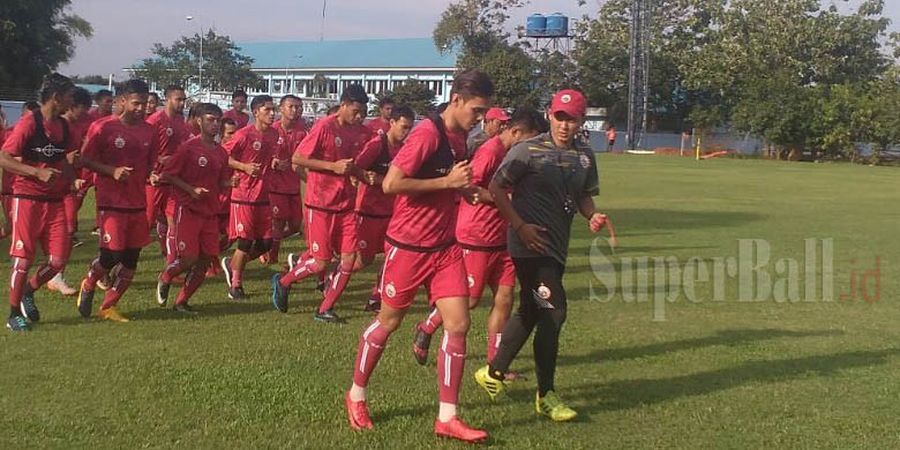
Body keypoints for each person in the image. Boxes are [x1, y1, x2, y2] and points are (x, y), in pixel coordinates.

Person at [341, 70, 492, 443]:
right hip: (407, 247)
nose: (480, 118)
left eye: (484, 112)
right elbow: (392, 184)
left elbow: (447, 183)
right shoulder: (427, 133)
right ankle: (356, 394)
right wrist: (447, 184)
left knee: (458, 324)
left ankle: (447, 417)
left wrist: (463, 191)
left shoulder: (460, 138)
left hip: (444, 248)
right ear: (456, 100)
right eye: (477, 110)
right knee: (388, 322)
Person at [473, 89, 608, 423]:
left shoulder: (585, 157)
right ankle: (546, 395)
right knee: (554, 312)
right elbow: (496, 188)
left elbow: (582, 198)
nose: (564, 125)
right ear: (550, 115)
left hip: (556, 247)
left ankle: (493, 372)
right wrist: (520, 227)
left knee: (531, 310)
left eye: (571, 119)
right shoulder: (527, 150)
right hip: (529, 247)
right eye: (559, 117)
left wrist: (591, 215)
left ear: (581, 120)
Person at [412, 107, 548, 368]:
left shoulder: (515, 155)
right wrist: (504, 199)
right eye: (530, 139)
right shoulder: (490, 151)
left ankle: (496, 363)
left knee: (505, 298)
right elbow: (466, 186)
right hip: (477, 235)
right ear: (516, 132)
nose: (532, 145)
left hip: (503, 234)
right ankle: (427, 326)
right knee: (471, 300)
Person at [271, 84, 372, 323]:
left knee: (349, 259)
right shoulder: (324, 126)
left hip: (346, 204)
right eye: (355, 111)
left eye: (363, 112)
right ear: (344, 105)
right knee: (320, 262)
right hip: (320, 204)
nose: (359, 117)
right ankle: (283, 281)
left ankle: (325, 308)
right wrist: (332, 167)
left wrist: (360, 174)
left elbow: (354, 163)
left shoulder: (360, 132)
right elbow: (298, 159)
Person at [76, 79, 158, 323]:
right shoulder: (103, 127)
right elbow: (84, 160)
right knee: (112, 255)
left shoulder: (149, 130)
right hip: (110, 201)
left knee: (131, 259)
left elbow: (150, 163)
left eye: (145, 104)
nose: (142, 109)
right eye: (136, 103)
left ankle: (108, 306)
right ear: (121, 101)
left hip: (137, 202)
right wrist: (111, 171)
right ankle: (89, 282)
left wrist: (153, 174)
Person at [0, 73, 77, 331]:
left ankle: (29, 291)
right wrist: (36, 172)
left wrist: (70, 176)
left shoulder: (64, 127)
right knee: (23, 259)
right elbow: (4, 157)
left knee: (58, 260)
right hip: (27, 198)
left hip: (54, 200)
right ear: (56, 97)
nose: (71, 101)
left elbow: (64, 160)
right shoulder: (29, 124)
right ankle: (12, 314)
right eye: (69, 96)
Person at [156, 103, 232, 313]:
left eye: (218, 120)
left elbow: (221, 180)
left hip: (210, 212)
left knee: (205, 260)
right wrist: (190, 190)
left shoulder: (221, 153)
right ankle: (166, 276)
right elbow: (168, 175)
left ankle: (181, 301)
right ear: (199, 121)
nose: (215, 124)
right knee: (188, 258)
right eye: (210, 119)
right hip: (187, 209)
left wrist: (231, 183)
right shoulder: (188, 148)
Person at [351, 105, 415, 313]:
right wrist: (374, 179)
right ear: (392, 123)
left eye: (409, 128)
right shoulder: (377, 145)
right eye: (403, 127)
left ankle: (375, 297)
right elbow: (355, 168)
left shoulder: (405, 149)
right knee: (363, 259)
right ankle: (329, 278)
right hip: (368, 210)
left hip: (392, 213)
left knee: (390, 257)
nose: (405, 132)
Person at [219, 95, 278, 300]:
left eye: (273, 110)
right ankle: (236, 285)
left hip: (263, 195)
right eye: (267, 110)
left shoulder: (274, 134)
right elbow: (222, 156)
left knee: (266, 243)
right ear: (256, 113)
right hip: (243, 195)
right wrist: (244, 167)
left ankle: (231, 264)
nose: (272, 114)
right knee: (244, 242)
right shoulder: (244, 134)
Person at [48, 86, 94, 297]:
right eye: (83, 109)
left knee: (68, 229)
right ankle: (53, 275)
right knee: (64, 229)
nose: (86, 114)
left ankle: (55, 275)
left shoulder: (76, 127)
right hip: (53, 186)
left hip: (68, 185)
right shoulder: (59, 126)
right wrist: (67, 162)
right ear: (73, 106)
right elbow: (48, 158)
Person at [145, 85, 188, 264]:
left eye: (183, 99)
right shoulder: (155, 120)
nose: (182, 103)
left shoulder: (180, 121)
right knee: (145, 226)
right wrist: (157, 162)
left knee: (173, 223)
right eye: (178, 99)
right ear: (167, 100)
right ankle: (110, 266)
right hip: (154, 181)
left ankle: (170, 264)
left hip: (171, 181)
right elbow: (142, 147)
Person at [265, 95, 306, 266]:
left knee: (296, 225)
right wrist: (272, 162)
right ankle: (271, 256)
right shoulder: (271, 131)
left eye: (298, 107)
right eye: (291, 106)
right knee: (278, 222)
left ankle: (266, 244)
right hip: (275, 186)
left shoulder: (303, 132)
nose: (295, 110)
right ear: (281, 108)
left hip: (294, 185)